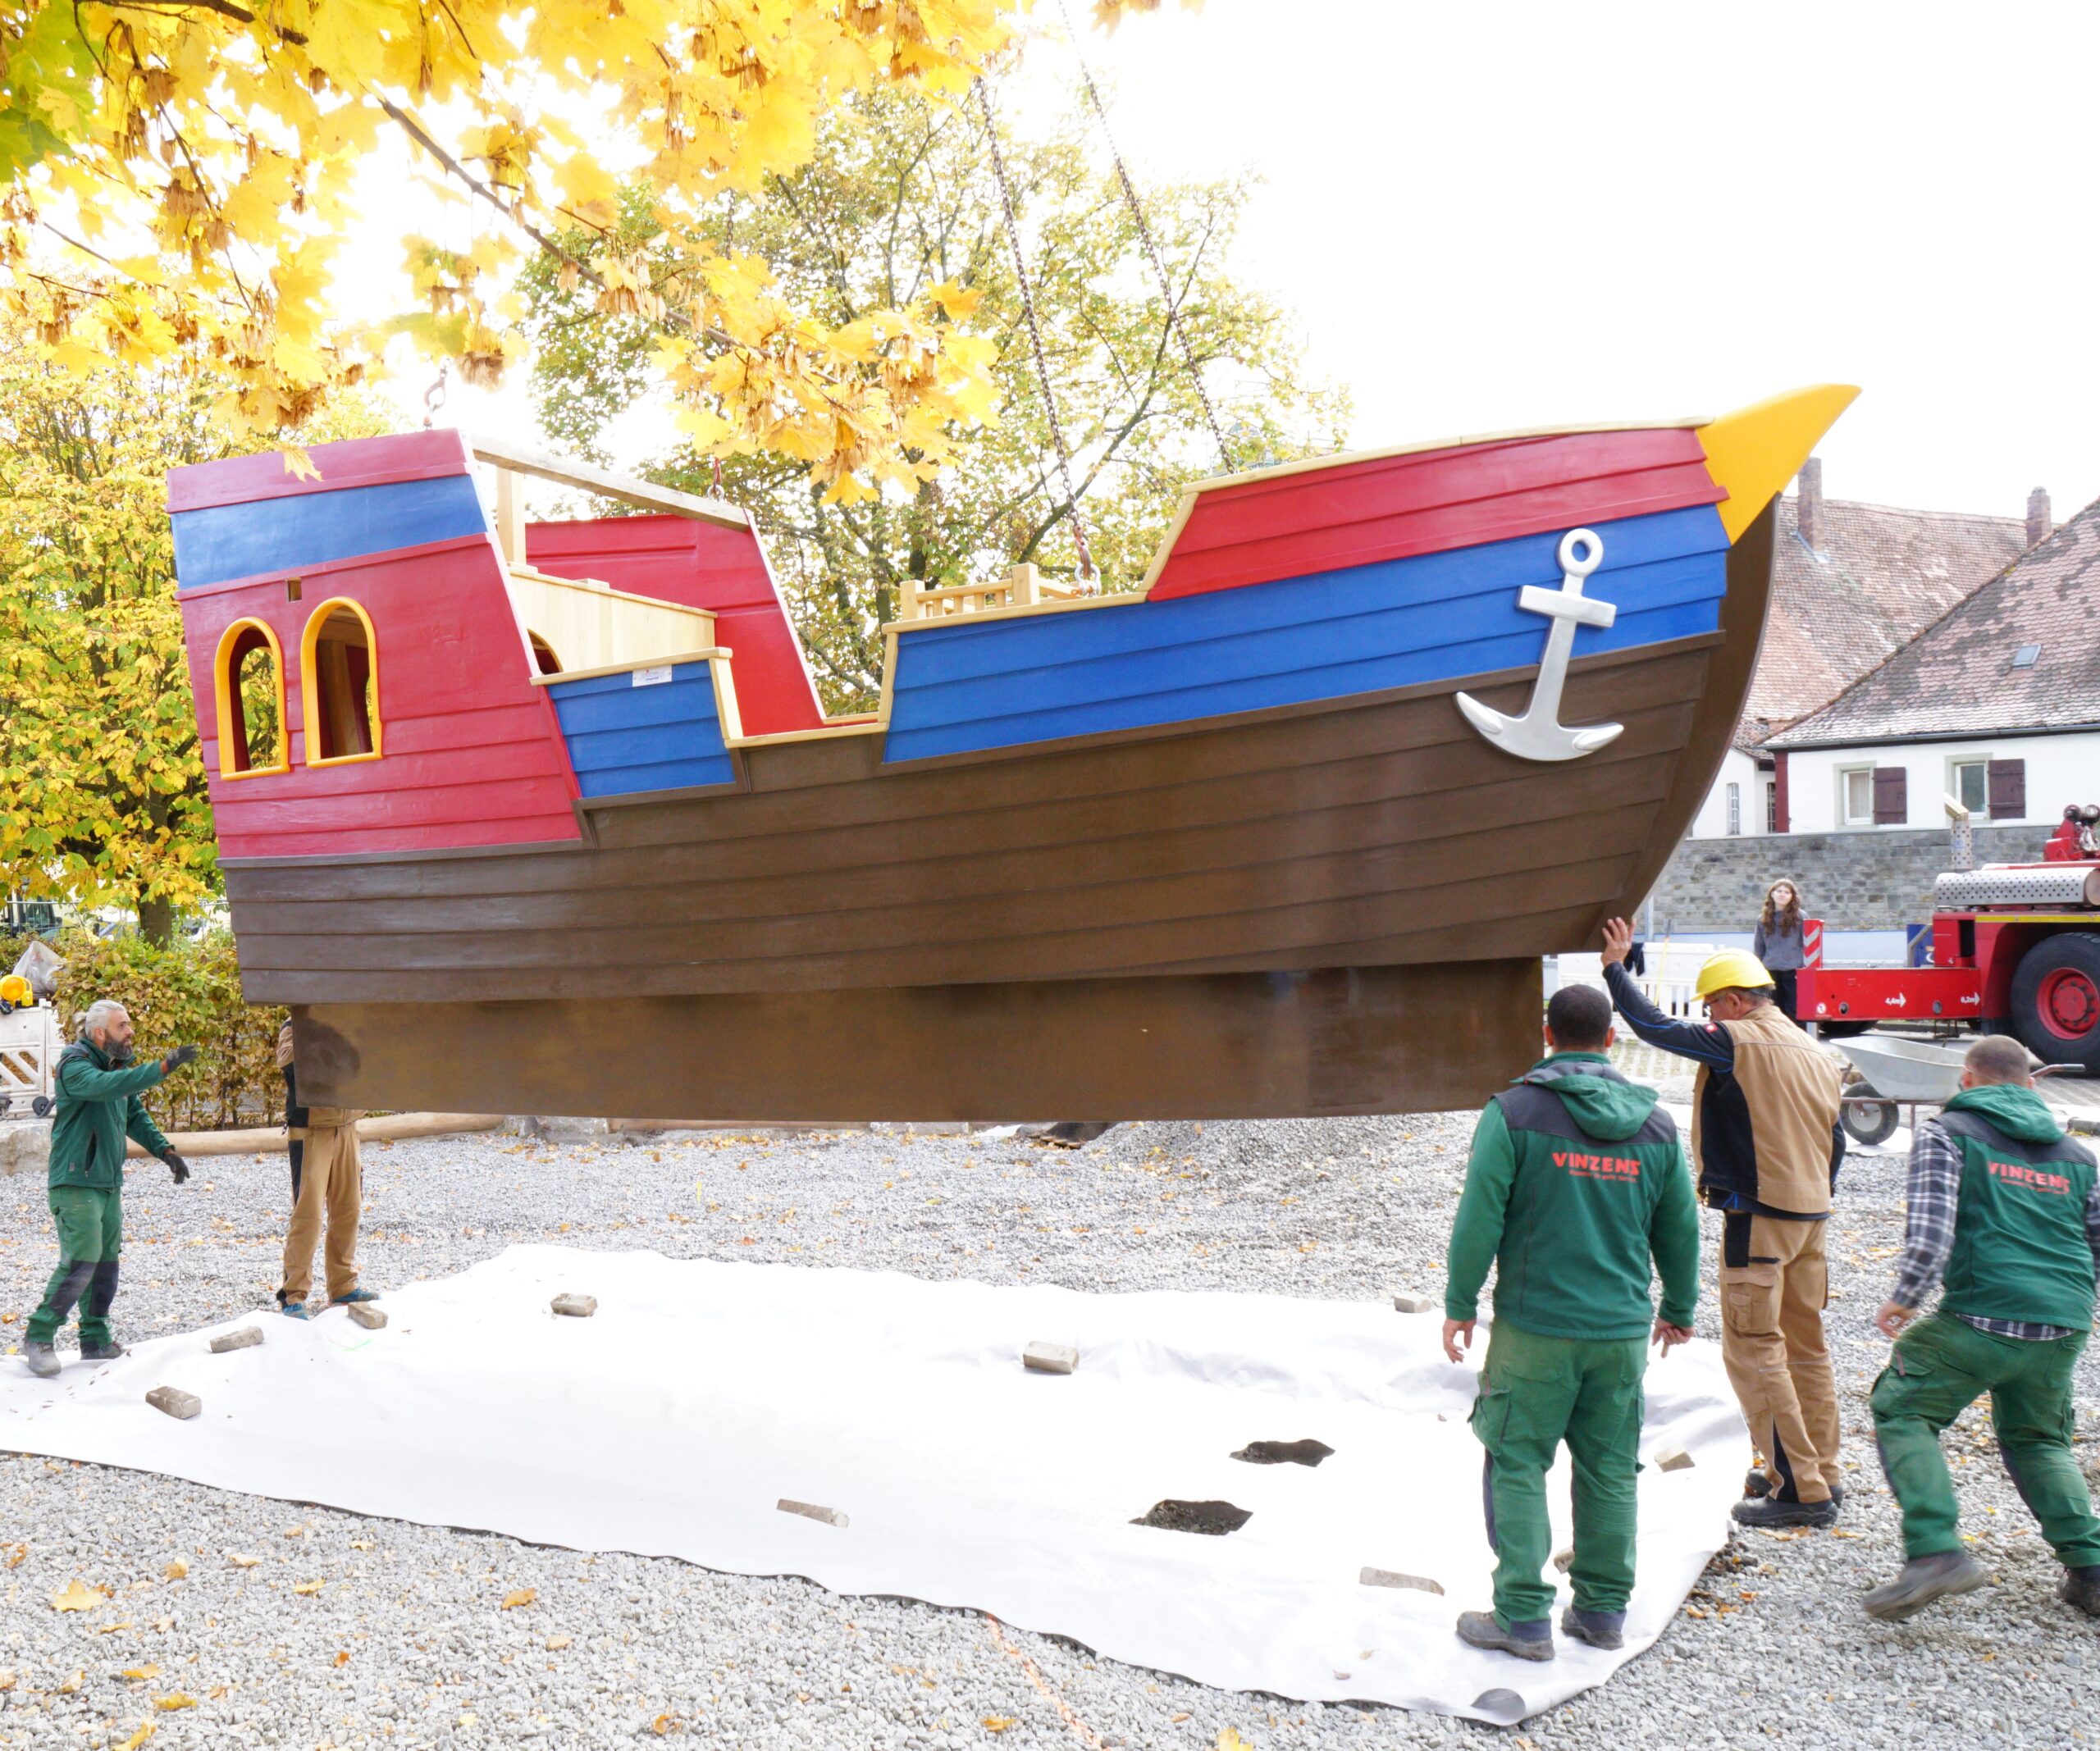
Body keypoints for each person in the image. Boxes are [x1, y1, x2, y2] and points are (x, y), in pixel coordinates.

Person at [1442, 982, 1701, 1662]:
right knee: (1611, 1468)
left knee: (1518, 1459)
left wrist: (1460, 1303)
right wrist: (1678, 1308)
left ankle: (1524, 1618)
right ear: (1611, 1038)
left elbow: (1480, 1218)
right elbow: (1680, 1226)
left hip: (1536, 1330)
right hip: (1619, 1335)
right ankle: (1602, 1612)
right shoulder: (1656, 1124)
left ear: (1546, 1034)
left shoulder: (1514, 1111)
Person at [1598, 919, 1847, 1527]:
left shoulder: (1739, 1039)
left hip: (1758, 1217)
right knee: (1807, 1349)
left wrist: (1614, 968)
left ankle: (1799, 1489)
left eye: (1713, 1004)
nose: (1710, 1015)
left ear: (1736, 1001)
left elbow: (1656, 1029)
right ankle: (1824, 1469)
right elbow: (1835, 1142)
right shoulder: (1814, 1051)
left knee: (1755, 1351)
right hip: (1811, 1217)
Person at [1865, 1035, 2100, 1621]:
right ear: (2030, 1084)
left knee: (1902, 1406)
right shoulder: (2078, 1155)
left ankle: (1936, 1551)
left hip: (1979, 1318)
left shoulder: (1948, 1132)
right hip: (2063, 1323)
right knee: (2039, 1440)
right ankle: (2092, 1569)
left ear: (1966, 1080)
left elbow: (1932, 1229)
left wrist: (1905, 1296)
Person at [21, 1001, 197, 1377]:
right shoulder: (75, 1067)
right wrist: (163, 1068)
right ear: (100, 1033)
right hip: (75, 1180)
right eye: (123, 1026)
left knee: (105, 1264)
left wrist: (165, 1151)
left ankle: (94, 1339)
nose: (131, 1031)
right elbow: (108, 1087)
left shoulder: (117, 1065)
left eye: (130, 1024)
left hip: (107, 1182)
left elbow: (133, 1113)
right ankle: (38, 1336)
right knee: (81, 1260)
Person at [276, 1021, 377, 1320]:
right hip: (311, 1131)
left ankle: (343, 1284)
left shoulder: (351, 1021)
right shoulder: (294, 1025)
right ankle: (293, 1295)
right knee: (308, 1215)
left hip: (348, 1128)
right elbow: (288, 1062)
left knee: (349, 1208)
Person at [1751, 879, 1808, 1025]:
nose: (1782, 895)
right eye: (1779, 891)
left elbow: (1807, 943)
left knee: (1794, 1010)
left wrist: (1805, 967)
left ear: (1792, 896)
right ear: (1772, 894)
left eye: (1787, 892)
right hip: (1771, 971)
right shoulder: (1762, 919)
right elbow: (1759, 946)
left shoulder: (1801, 917)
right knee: (1773, 1009)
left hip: (1794, 971)